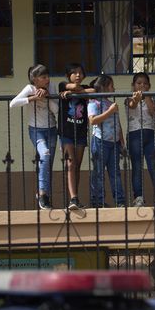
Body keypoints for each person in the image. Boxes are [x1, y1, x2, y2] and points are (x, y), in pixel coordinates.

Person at [10, 64, 58, 210]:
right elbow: (13, 103)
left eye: (48, 76)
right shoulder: (30, 89)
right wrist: (32, 99)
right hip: (36, 130)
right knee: (45, 154)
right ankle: (43, 194)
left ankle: (44, 196)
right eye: (43, 77)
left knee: (47, 164)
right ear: (35, 80)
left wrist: (47, 97)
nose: (47, 79)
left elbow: (56, 110)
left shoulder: (52, 87)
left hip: (51, 129)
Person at [58, 63, 95, 209]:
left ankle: (76, 197)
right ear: (68, 76)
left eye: (80, 72)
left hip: (80, 132)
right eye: (74, 73)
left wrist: (78, 93)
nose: (78, 75)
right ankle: (73, 198)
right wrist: (75, 91)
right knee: (70, 164)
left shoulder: (85, 87)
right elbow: (70, 87)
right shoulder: (62, 85)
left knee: (77, 165)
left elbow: (94, 90)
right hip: (66, 133)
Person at [125, 72, 155, 208]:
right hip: (134, 135)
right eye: (139, 83)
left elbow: (153, 111)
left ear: (149, 86)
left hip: (150, 135)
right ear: (133, 85)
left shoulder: (152, 98)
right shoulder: (128, 97)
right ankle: (138, 197)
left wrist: (146, 96)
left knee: (154, 167)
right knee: (137, 167)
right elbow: (132, 105)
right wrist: (136, 98)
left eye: (145, 84)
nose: (142, 85)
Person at [87, 74, 126, 208]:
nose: (113, 88)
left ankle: (120, 201)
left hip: (114, 143)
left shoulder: (111, 104)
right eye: (111, 85)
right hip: (100, 141)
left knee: (115, 173)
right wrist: (109, 111)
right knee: (99, 172)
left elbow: (118, 123)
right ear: (103, 87)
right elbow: (93, 120)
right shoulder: (94, 102)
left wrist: (122, 142)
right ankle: (98, 201)